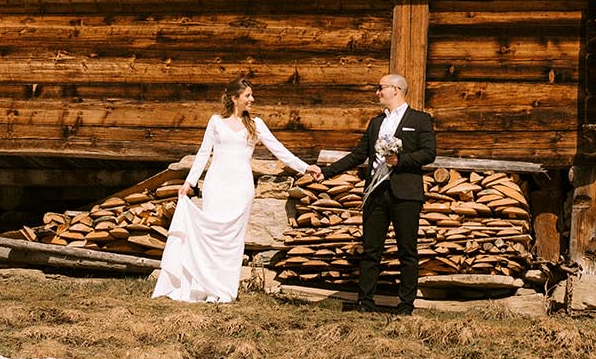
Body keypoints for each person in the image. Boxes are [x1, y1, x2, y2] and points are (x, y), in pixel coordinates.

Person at [153, 78, 312, 304]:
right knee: (211, 235)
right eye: (248, 95)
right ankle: (206, 286)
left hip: (241, 187)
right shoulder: (216, 122)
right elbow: (203, 152)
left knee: (232, 239)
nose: (252, 99)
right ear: (234, 98)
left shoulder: (256, 124)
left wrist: (305, 167)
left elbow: (279, 150)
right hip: (216, 184)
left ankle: (224, 290)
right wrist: (189, 181)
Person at [310, 73, 436, 314]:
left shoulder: (420, 120)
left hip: (405, 193)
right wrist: (326, 173)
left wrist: (401, 160)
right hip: (375, 193)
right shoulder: (375, 123)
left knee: (407, 249)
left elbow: (429, 153)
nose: (377, 93)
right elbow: (358, 155)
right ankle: (365, 302)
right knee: (371, 249)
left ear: (396, 90)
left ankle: (406, 305)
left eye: (380, 88)